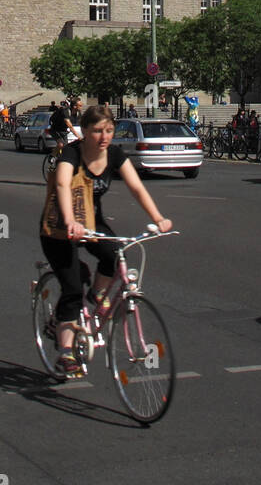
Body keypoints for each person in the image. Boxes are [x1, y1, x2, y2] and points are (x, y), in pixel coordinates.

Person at [39, 105, 172, 377]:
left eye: (109, 130)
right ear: (85, 131)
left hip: (91, 221)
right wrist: (70, 221)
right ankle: (66, 353)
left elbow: (136, 187)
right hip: (60, 227)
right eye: (98, 131)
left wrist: (158, 218)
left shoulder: (114, 154)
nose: (104, 137)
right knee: (72, 289)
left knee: (115, 254)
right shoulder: (72, 154)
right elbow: (62, 184)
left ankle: (97, 295)